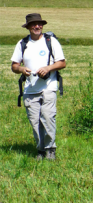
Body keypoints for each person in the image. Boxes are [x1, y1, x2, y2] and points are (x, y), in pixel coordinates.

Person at [11, 13, 66, 160]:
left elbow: (62, 63)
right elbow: (14, 66)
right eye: (34, 24)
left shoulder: (51, 41)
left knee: (48, 118)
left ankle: (50, 150)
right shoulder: (22, 44)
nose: (37, 26)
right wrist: (22, 70)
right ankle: (40, 150)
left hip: (49, 87)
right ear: (28, 27)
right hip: (30, 89)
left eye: (39, 24)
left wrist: (48, 68)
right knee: (35, 122)